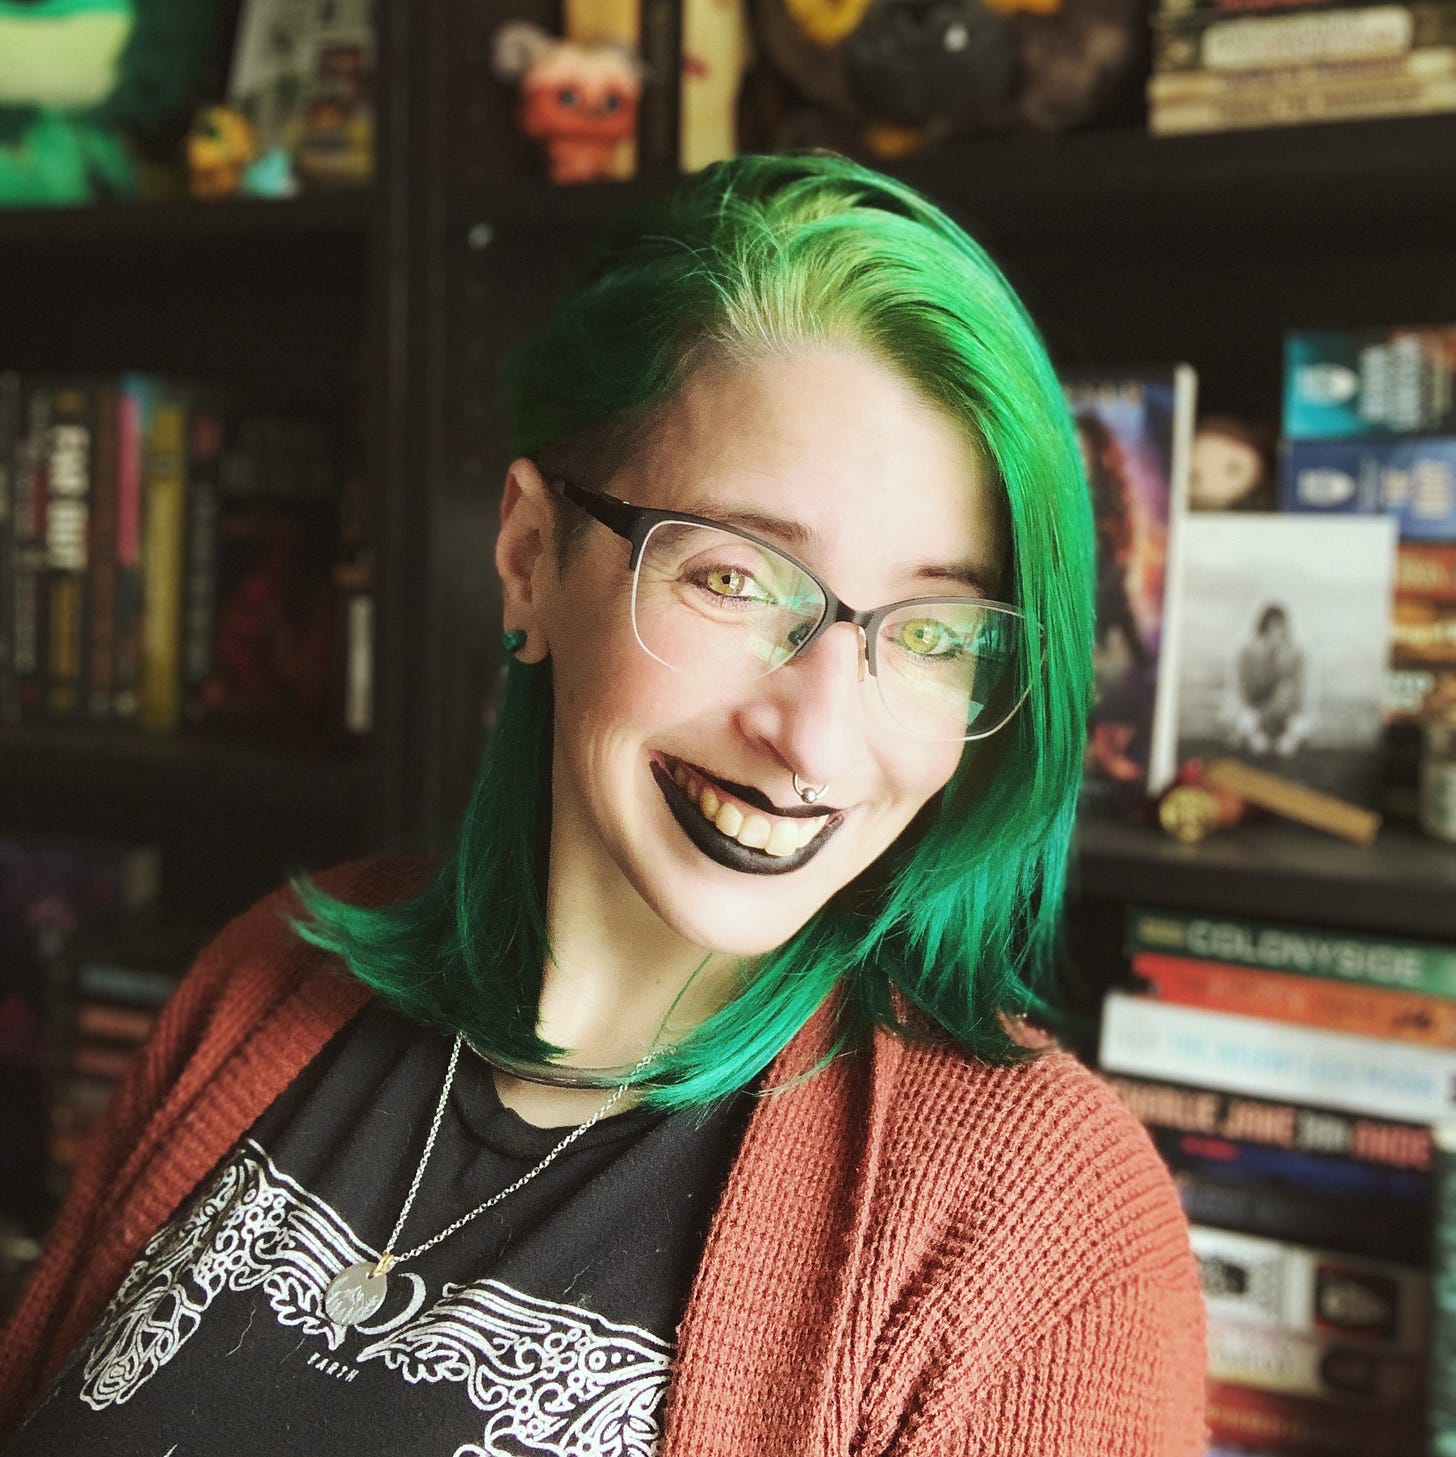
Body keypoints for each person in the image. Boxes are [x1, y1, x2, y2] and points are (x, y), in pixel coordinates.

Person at [0, 153, 1205, 1455]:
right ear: (529, 558)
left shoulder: (1045, 1235)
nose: (814, 736)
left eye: (930, 634)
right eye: (737, 579)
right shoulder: (269, 973)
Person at [1230, 601, 1311, 756]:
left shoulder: (1297, 656)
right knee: (1246, 723)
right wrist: (1254, 733)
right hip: (1255, 714)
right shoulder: (1247, 654)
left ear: (1286, 631)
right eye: (1269, 630)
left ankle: (1283, 739)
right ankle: (1255, 738)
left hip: (1285, 715)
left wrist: (1290, 736)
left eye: (1279, 630)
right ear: (1261, 631)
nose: (1274, 635)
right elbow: (1241, 694)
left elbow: (1301, 696)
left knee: (1298, 727)